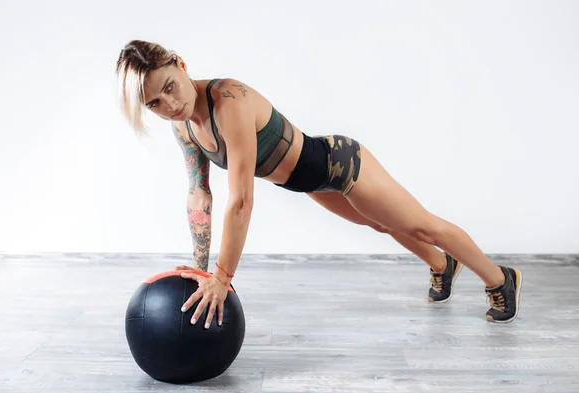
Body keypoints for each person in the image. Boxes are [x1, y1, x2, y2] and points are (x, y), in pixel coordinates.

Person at [115, 39, 523, 330]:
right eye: (154, 103)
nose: (170, 105)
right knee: (380, 224)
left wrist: (223, 277)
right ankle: (440, 264)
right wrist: (200, 271)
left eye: (169, 87)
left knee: (421, 225)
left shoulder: (228, 101)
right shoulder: (184, 127)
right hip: (308, 182)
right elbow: (199, 194)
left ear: (181, 65)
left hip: (340, 164)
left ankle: (500, 278)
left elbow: (240, 201)